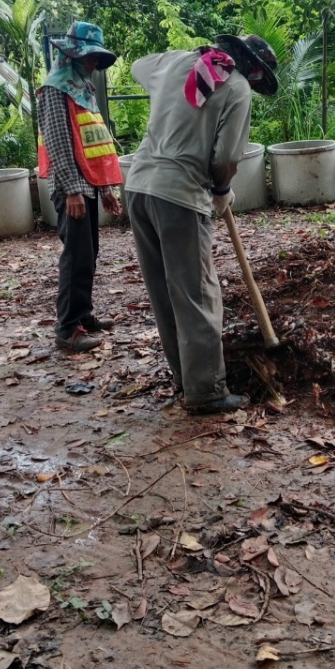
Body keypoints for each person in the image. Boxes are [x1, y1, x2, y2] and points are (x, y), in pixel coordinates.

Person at [124, 34, 279, 415]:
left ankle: (185, 376)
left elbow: (138, 66)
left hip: (139, 187)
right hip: (179, 194)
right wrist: (222, 188)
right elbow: (226, 155)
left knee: (164, 289)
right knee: (196, 291)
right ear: (253, 68)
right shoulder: (237, 88)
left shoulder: (177, 62)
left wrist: (176, 80)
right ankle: (206, 390)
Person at [37, 21, 124, 354]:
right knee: (76, 256)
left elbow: (94, 141)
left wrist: (105, 190)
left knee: (89, 253)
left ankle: (83, 316)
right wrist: (73, 189)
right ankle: (68, 329)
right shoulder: (57, 87)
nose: (93, 64)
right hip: (71, 186)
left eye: (96, 59)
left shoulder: (82, 89)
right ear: (72, 56)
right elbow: (59, 143)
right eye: (89, 58)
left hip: (89, 183)